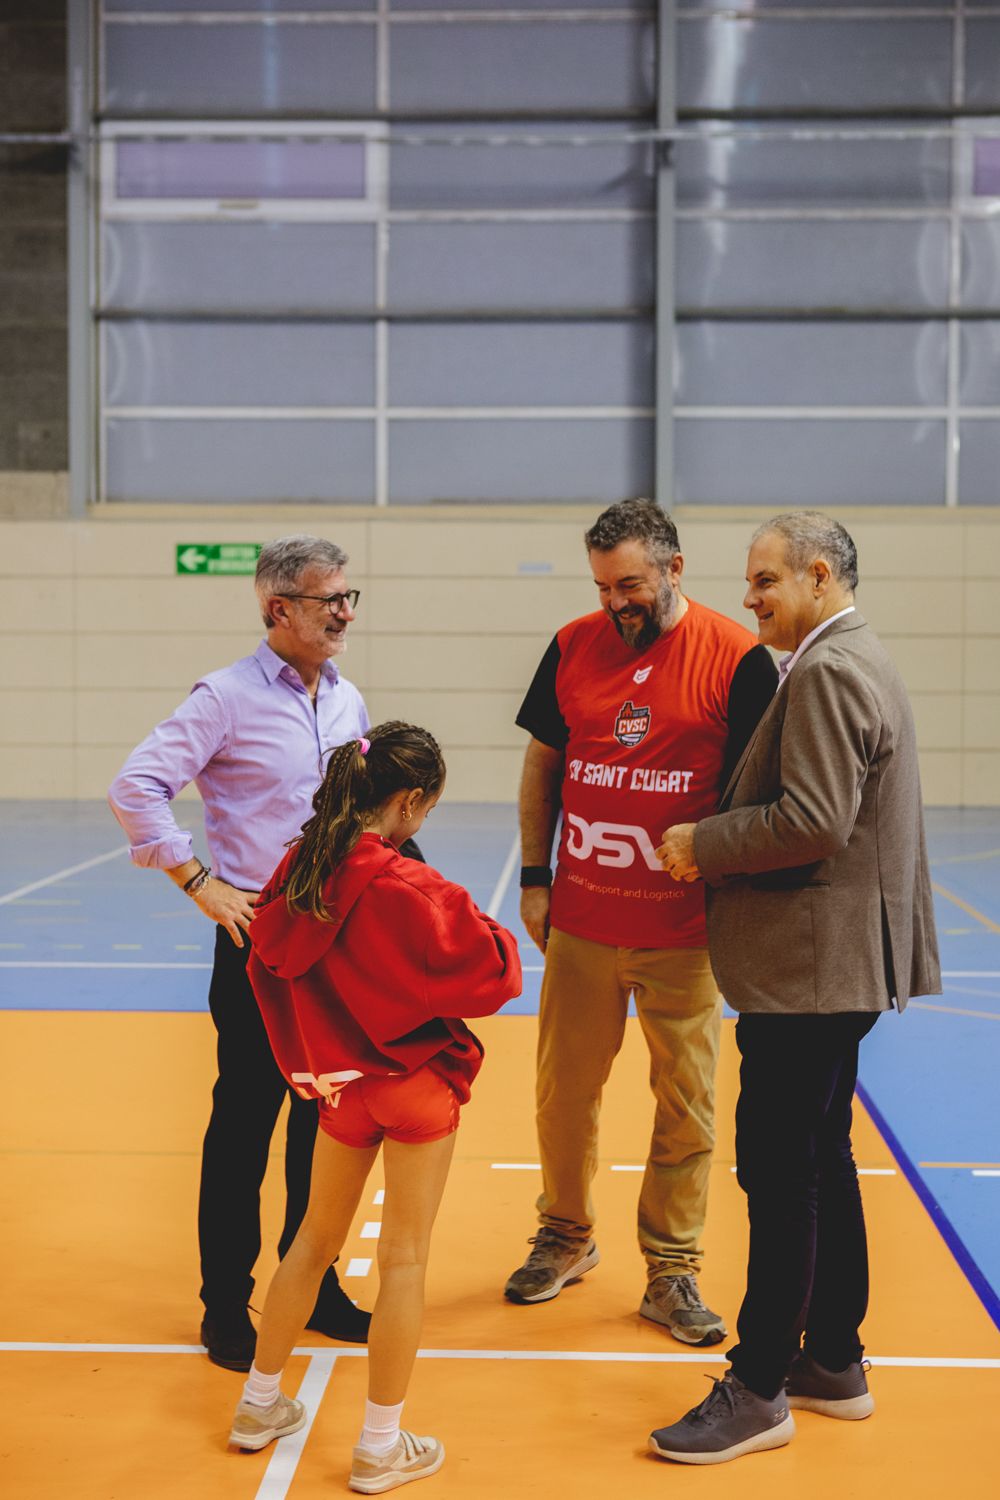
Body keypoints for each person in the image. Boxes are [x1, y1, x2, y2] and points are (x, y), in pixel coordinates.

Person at [650, 511, 940, 1465]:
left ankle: (762, 1384)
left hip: (810, 971)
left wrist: (703, 845)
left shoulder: (825, 670)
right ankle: (833, 1361)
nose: (750, 598)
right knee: (819, 1162)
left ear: (818, 576)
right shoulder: (853, 656)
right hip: (834, 964)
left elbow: (813, 820)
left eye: (765, 581)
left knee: (778, 1177)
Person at [504, 498, 777, 1344]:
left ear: (674, 568)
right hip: (581, 920)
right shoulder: (571, 645)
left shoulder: (740, 659)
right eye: (601, 587)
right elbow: (544, 763)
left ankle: (672, 1269)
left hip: (686, 933)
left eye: (628, 584)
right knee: (563, 1095)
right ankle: (566, 1235)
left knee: (686, 1104)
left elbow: (760, 798)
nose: (614, 602)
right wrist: (537, 877)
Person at [226, 722, 522, 1493]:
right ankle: (379, 1446)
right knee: (404, 1259)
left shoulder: (297, 867)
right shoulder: (408, 887)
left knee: (310, 1242)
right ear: (412, 801)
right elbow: (495, 973)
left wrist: (307, 1060)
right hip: (415, 1084)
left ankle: (259, 1404)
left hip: (340, 1085)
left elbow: (267, 962)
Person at [108, 534, 375, 1371]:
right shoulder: (223, 699)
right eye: (328, 599)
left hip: (334, 943)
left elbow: (357, 813)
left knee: (322, 1126)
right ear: (277, 609)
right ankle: (225, 1304)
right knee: (244, 1128)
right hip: (259, 943)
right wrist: (198, 882)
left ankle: (314, 1283)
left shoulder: (346, 700)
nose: (343, 612)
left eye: (347, 596)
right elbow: (136, 787)